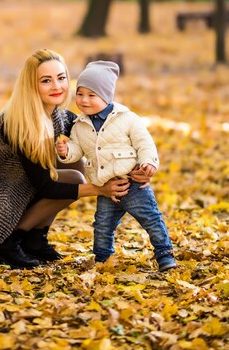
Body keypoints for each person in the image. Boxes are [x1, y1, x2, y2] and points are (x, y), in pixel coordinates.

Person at [0, 49, 131, 270]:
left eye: (61, 78)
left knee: (75, 163)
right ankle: (5, 243)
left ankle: (35, 239)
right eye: (46, 81)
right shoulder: (21, 124)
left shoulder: (59, 115)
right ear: (31, 85)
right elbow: (47, 187)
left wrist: (137, 165)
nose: (57, 87)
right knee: (75, 178)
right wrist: (100, 189)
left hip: (16, 182)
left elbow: (101, 139)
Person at [56, 60, 177, 272]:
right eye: (80, 94)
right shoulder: (80, 125)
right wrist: (67, 152)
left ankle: (164, 253)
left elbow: (145, 144)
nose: (84, 100)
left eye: (92, 95)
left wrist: (149, 163)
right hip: (106, 188)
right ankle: (102, 259)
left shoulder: (127, 119)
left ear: (106, 96)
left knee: (150, 219)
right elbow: (77, 150)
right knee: (102, 225)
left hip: (133, 185)